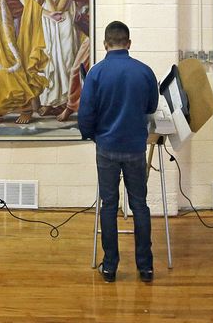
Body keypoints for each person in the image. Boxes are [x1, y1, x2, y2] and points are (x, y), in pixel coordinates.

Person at [78, 21, 159, 283]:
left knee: (109, 206)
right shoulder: (144, 72)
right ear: (129, 43)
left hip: (107, 147)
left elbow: (86, 113)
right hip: (135, 147)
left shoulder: (96, 73)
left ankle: (110, 267)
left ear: (104, 44)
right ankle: (145, 267)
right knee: (140, 206)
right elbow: (151, 106)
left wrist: (92, 135)